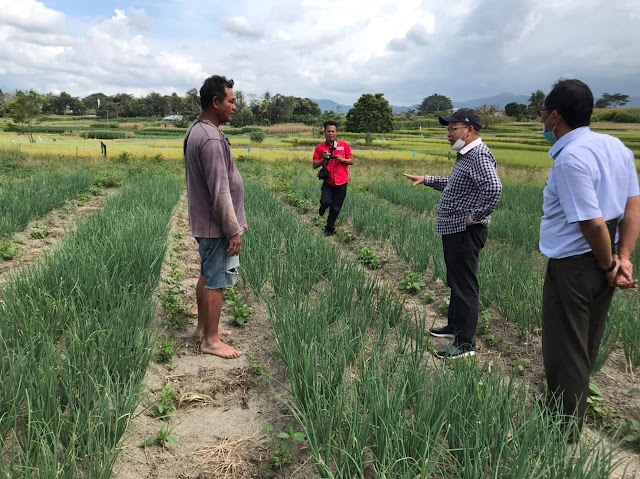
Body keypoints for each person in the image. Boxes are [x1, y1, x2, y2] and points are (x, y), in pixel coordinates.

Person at [538, 79, 640, 432]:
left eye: (542, 114)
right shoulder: (616, 148)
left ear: (555, 116)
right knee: (586, 341)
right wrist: (623, 257)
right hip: (603, 262)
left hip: (577, 266)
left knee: (565, 345)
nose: (541, 123)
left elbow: (594, 224)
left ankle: (562, 426)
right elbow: (631, 208)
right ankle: (568, 408)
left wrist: (610, 263)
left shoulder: (572, 158)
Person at [404, 108, 502, 359]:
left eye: (452, 128)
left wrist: (473, 217)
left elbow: (493, 189)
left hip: (465, 231)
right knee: (456, 281)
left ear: (469, 130)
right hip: (455, 230)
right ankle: (455, 327)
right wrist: (427, 179)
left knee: (465, 284)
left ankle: (465, 343)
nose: (448, 134)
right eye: (448, 129)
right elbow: (455, 184)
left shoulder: (479, 155)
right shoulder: (466, 155)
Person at [183, 74, 247, 359]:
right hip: (215, 225)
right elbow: (220, 192)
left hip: (206, 222)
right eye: (231, 101)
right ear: (215, 101)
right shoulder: (209, 138)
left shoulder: (198, 129)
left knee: (207, 274)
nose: (234, 107)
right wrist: (232, 230)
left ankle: (203, 329)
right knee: (216, 281)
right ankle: (210, 339)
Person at [312, 120, 354, 236]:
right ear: (324, 132)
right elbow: (314, 165)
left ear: (336, 133)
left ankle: (329, 228)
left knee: (335, 208)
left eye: (333, 131)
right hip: (328, 182)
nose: (331, 133)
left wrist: (343, 160)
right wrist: (323, 159)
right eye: (328, 131)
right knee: (326, 201)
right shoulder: (320, 148)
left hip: (342, 182)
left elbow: (351, 161)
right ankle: (322, 207)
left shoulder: (344, 145)